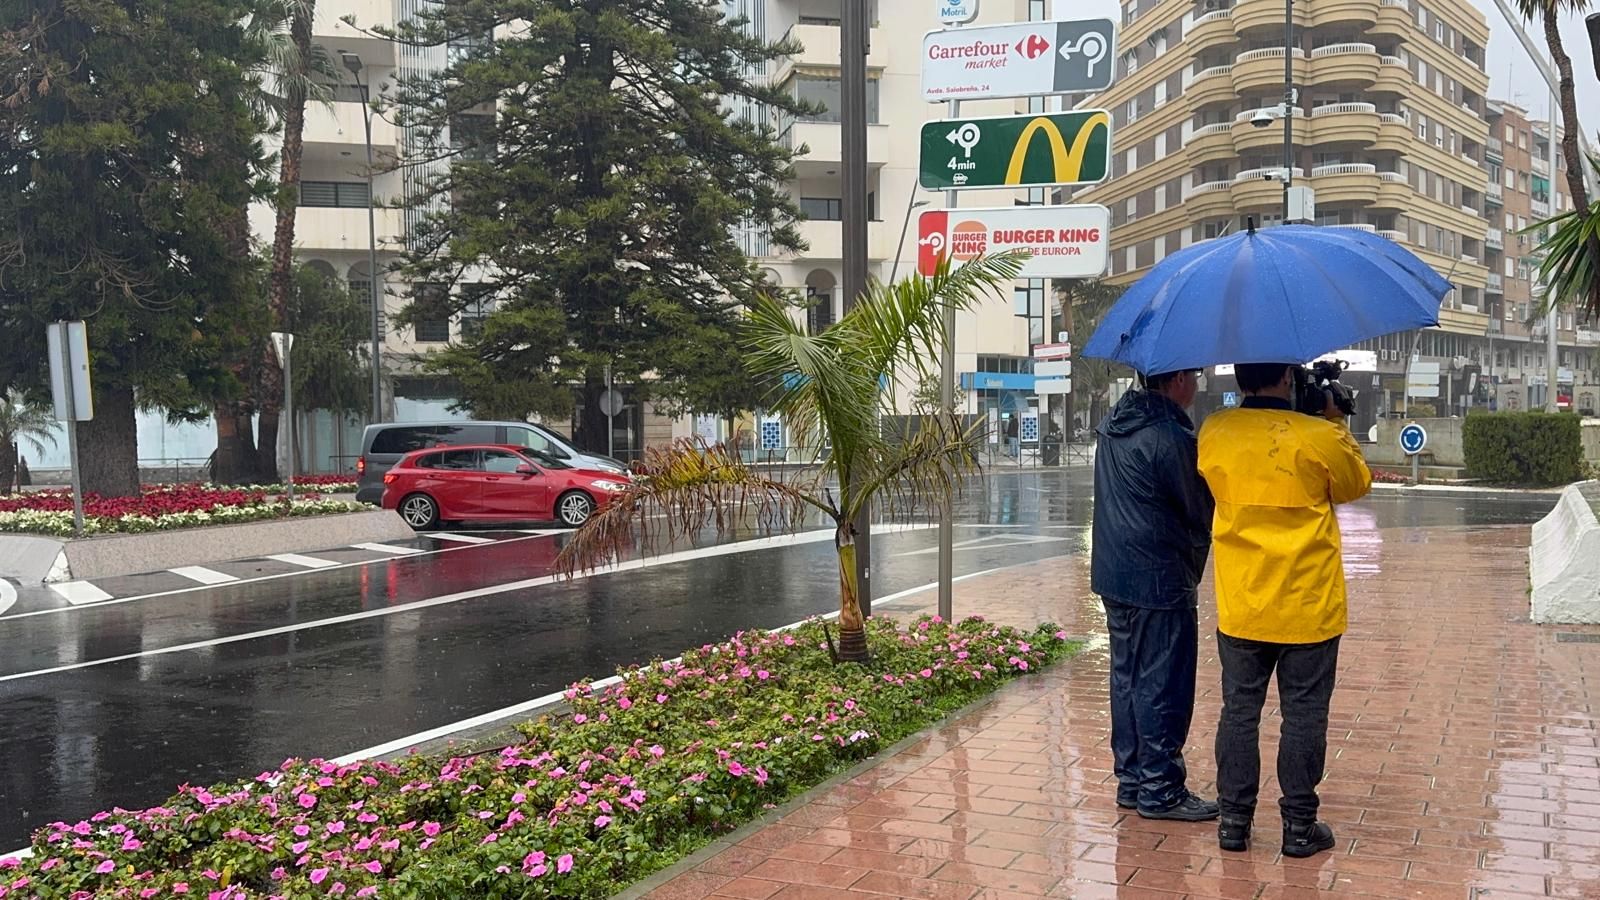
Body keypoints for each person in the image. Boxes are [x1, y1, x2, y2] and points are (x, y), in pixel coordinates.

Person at [1197, 362, 1372, 858]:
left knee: (1239, 713)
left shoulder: (1215, 430)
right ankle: (1299, 827)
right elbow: (1356, 483)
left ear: (1240, 380)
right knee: (1303, 716)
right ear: (1287, 380)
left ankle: (1233, 823)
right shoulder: (1317, 435)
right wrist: (1334, 421)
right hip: (1307, 605)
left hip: (1243, 603)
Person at [1090, 370, 1218, 821]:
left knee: (1126, 677)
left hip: (1114, 572)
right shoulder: (1168, 435)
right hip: (1158, 576)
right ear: (1179, 378)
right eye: (1196, 375)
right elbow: (1200, 507)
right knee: (1162, 682)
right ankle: (1161, 789)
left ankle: (1132, 779)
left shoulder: (1115, 423)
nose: (1198, 383)